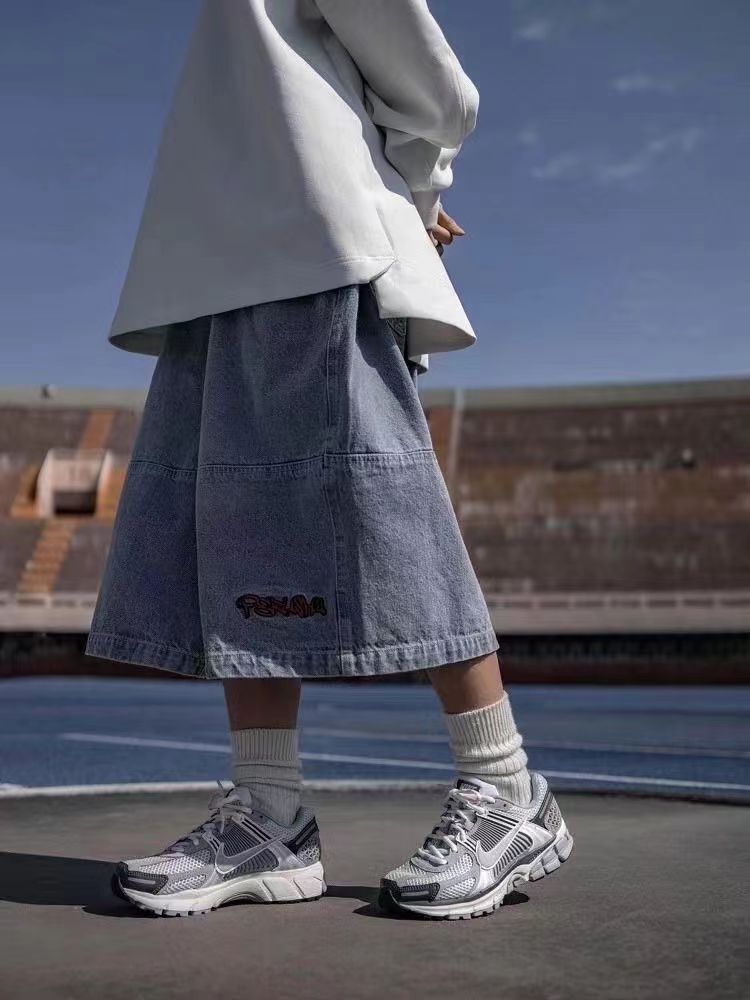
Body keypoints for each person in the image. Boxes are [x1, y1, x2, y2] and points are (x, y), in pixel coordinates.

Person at [88, 0, 573, 919]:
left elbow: (438, 91)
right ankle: (269, 813)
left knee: (386, 503)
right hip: (214, 265)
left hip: (312, 239)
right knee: (239, 526)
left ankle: (504, 783)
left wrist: (408, 194)